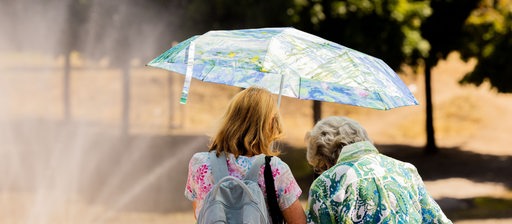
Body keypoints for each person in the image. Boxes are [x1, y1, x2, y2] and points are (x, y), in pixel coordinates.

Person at [185, 86, 307, 223]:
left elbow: (201, 213)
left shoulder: (199, 163)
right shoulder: (275, 170)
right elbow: (298, 221)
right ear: (270, 125)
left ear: (230, 118)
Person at [304, 116, 452, 224]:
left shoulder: (325, 184)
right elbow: (437, 220)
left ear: (324, 160)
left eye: (319, 168)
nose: (321, 172)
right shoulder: (406, 170)